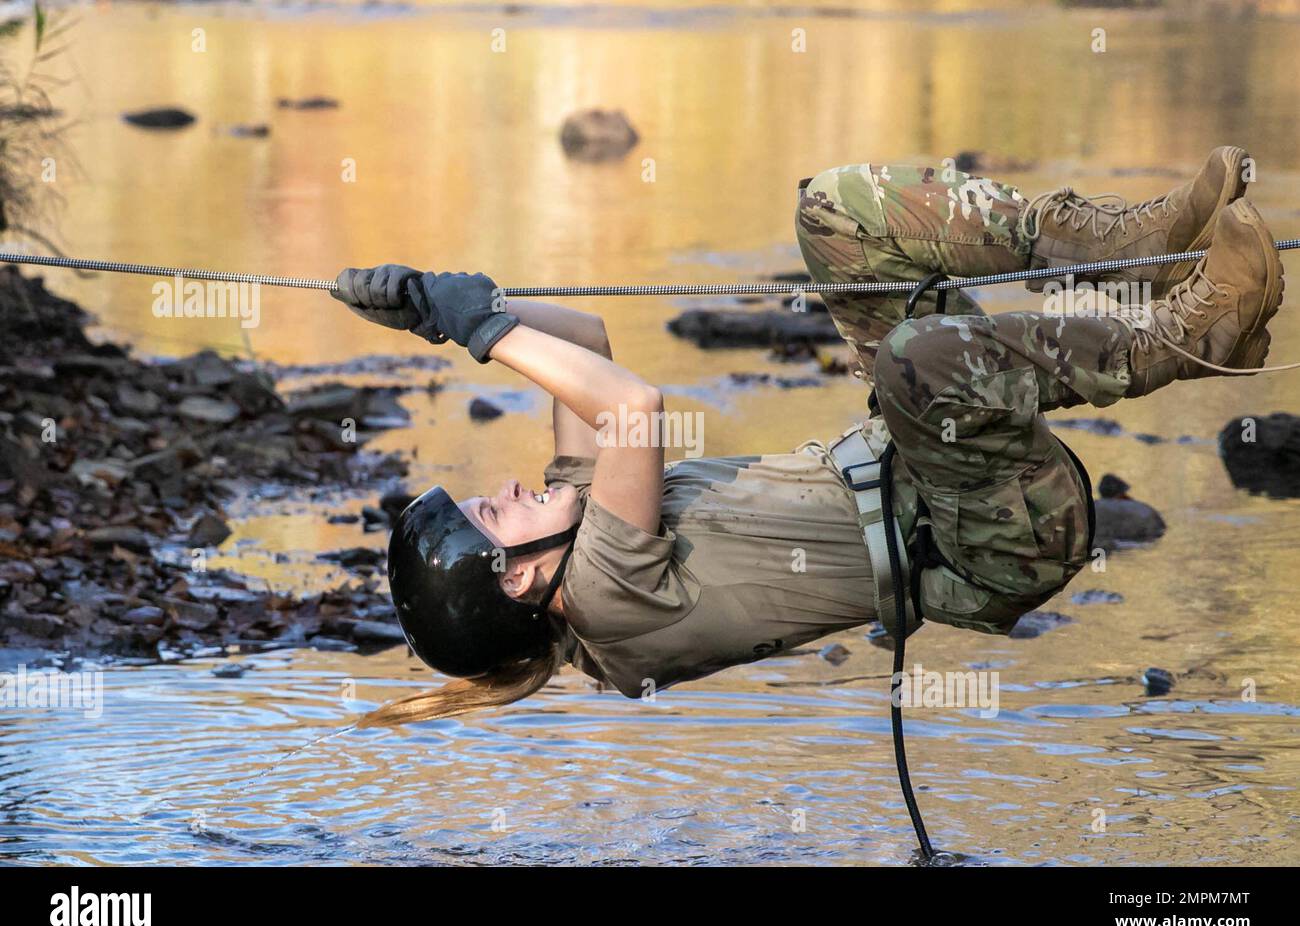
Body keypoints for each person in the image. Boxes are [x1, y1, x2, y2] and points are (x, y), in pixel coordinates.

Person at [331, 146, 1282, 728]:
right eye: (490, 514)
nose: (501, 490)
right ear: (520, 578)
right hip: (996, 540)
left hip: (933, 470)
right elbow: (632, 404)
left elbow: (584, 342)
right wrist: (485, 333)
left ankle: (1112, 246)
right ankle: (1188, 339)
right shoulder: (605, 602)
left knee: (834, 213)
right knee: (919, 359)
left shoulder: (581, 527)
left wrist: (447, 307)